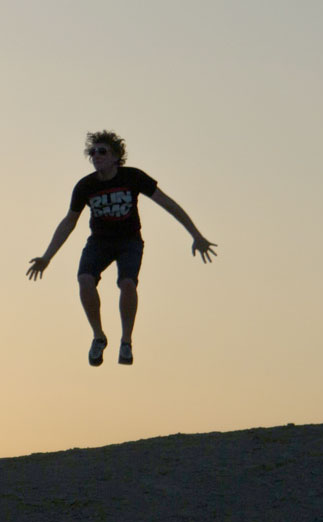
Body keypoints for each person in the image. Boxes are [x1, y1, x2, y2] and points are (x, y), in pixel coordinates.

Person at [27, 129, 217, 366]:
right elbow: (69, 222)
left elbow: (168, 204)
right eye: (93, 152)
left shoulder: (133, 177)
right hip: (99, 242)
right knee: (84, 279)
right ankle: (98, 336)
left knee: (127, 284)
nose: (96, 156)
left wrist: (196, 235)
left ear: (116, 157)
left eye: (102, 151)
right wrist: (47, 257)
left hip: (129, 241)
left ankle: (126, 340)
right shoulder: (85, 186)